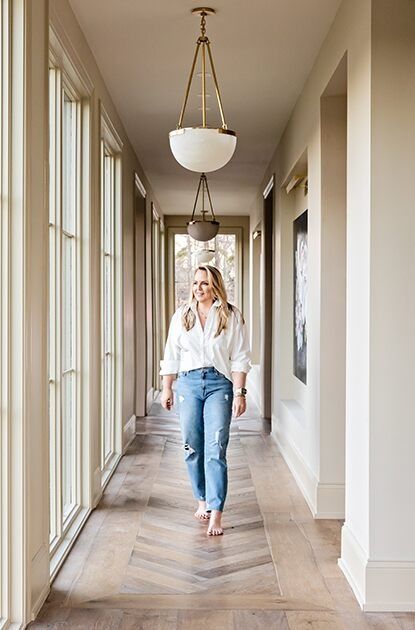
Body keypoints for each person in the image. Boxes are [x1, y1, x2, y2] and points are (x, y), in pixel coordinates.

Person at [160, 264, 251, 536]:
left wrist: (240, 393)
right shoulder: (182, 315)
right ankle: (202, 500)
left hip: (218, 384)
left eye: (205, 283)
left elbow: (240, 357)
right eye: (196, 283)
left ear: (215, 286)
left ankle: (216, 512)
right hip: (187, 384)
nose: (199, 288)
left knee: (216, 447)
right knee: (192, 445)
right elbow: (172, 353)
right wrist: (167, 388)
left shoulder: (230, 316)